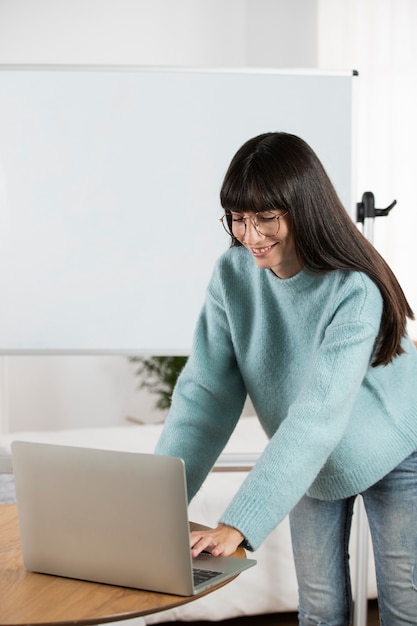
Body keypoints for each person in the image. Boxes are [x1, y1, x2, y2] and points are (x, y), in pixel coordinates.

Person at [155, 132, 417, 625]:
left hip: (394, 446)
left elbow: (317, 417)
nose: (249, 235)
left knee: (406, 605)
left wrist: (238, 523)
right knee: (318, 610)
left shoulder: (354, 290)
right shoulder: (232, 276)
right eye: (238, 218)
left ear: (303, 210)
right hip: (310, 460)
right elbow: (204, 396)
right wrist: (156, 503)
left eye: (266, 218)